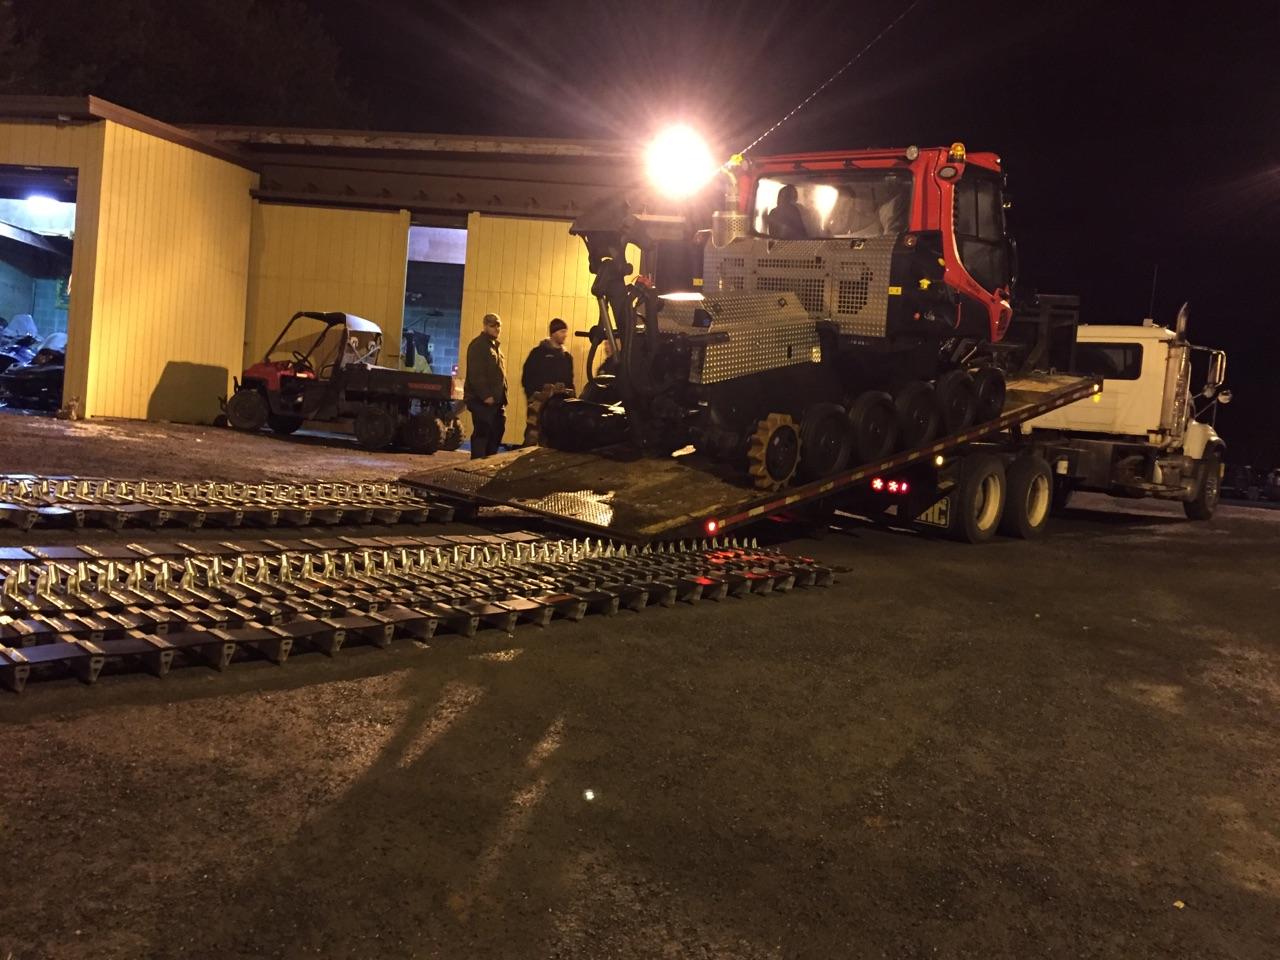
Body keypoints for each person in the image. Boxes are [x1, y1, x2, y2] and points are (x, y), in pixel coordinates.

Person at [464, 312, 507, 458]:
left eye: (498, 325)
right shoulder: (479, 346)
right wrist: (486, 395)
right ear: (485, 326)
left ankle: (487, 463)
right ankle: (477, 465)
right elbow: (476, 374)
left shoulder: (495, 347)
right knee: (482, 434)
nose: (497, 328)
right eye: (493, 325)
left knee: (496, 432)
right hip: (482, 402)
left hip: (496, 402)